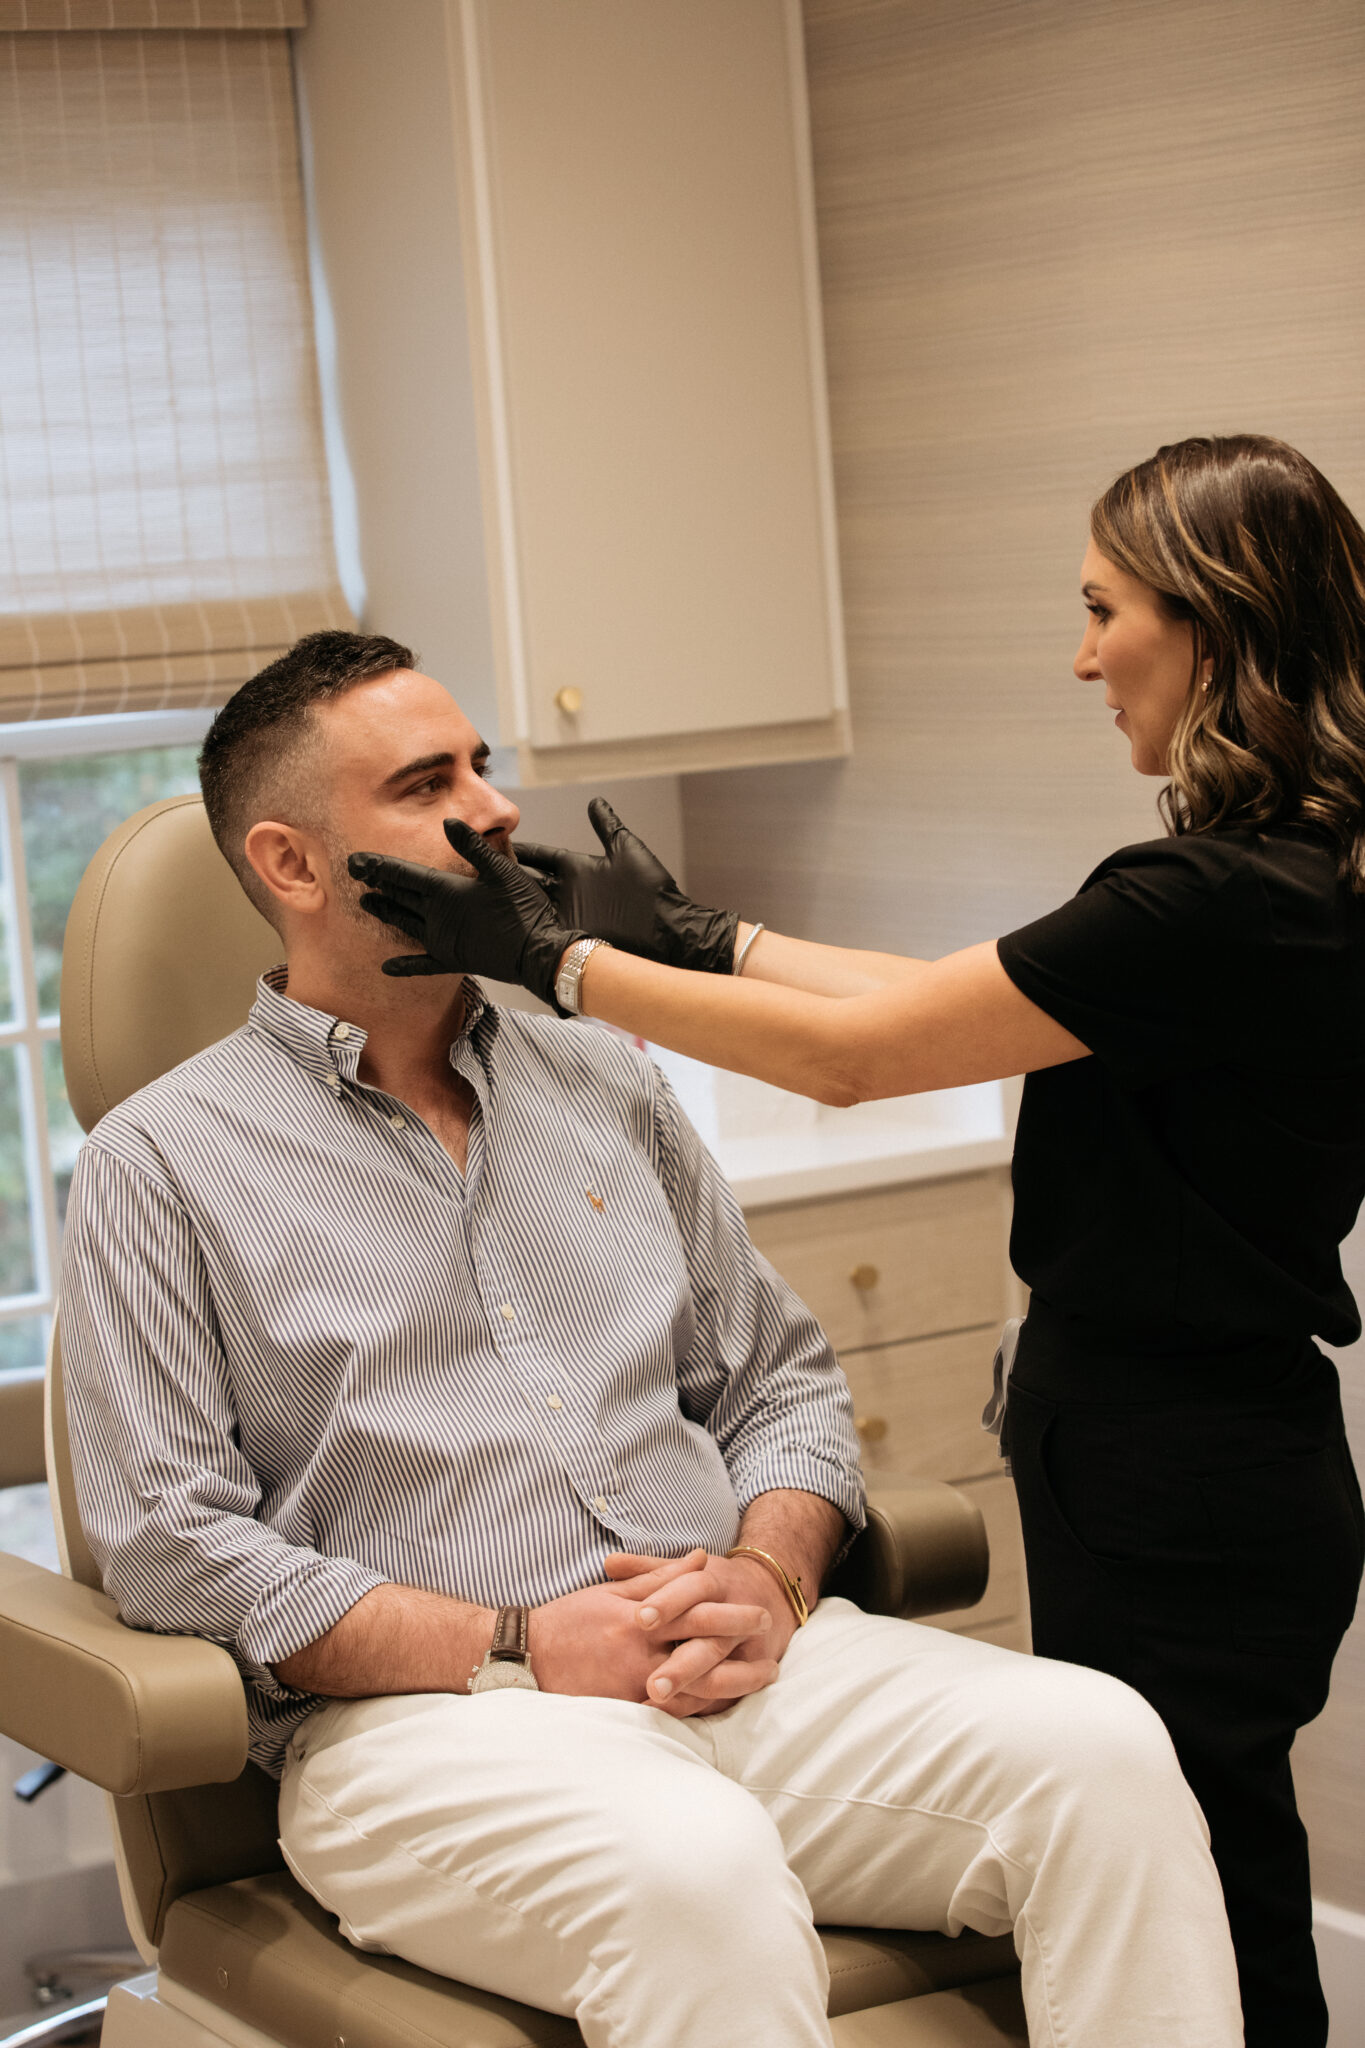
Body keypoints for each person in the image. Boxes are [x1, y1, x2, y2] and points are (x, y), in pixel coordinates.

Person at [58, 631, 1243, 2048]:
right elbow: (171, 1543)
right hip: (433, 1725)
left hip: (738, 1662)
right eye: (427, 781)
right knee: (697, 1866)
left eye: (483, 766)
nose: (494, 809)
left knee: (1104, 1748)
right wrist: (517, 1635)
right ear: (296, 866)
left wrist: (768, 1572)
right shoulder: (160, 1164)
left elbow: (780, 1385)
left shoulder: (601, 1069)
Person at [351, 433, 1365, 2048]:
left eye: (1106, 610)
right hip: (1216, 1451)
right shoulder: (1282, 879)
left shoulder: (1214, 896)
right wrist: (701, 939)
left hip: (1178, 1459)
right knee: (1203, 1844)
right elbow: (939, 1004)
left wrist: (562, 972)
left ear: (1213, 620)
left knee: (1197, 1872)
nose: (1084, 652)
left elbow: (861, 1058)